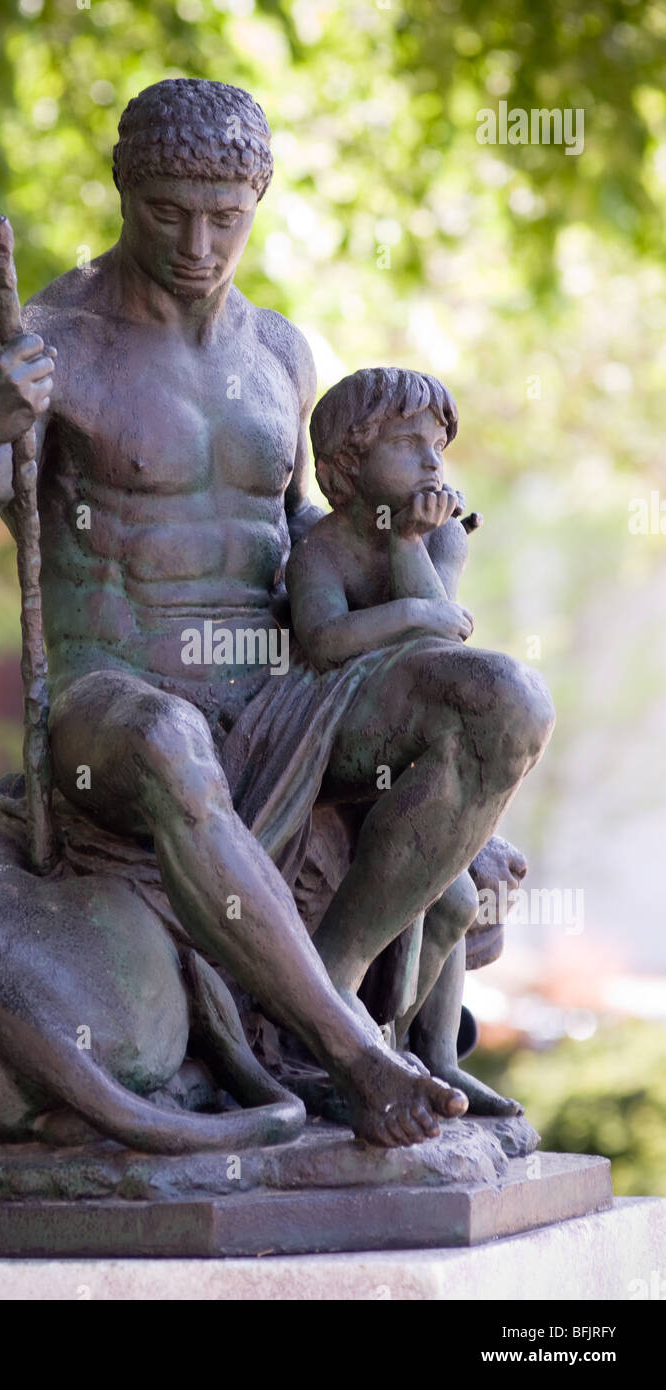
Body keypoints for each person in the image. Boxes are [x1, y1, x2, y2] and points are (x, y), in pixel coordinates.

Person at [0, 80, 552, 1148]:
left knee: (502, 701)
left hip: (281, 693)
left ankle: (314, 997)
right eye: (167, 212)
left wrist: (412, 551)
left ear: (259, 197)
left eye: (224, 215)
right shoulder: (46, 345)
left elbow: (294, 537)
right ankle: (349, 1051)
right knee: (166, 736)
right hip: (115, 710)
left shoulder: (278, 355)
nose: (198, 241)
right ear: (123, 190)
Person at [288, 365, 533, 1113]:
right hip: (336, 725)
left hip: (420, 736)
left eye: (436, 444)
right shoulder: (320, 552)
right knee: (440, 890)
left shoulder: (438, 544)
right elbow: (325, 642)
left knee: (455, 900)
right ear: (344, 470)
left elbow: (443, 638)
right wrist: (411, 612)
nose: (432, 461)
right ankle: (342, 1012)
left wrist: (410, 547)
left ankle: (428, 1053)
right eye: (405, 444)